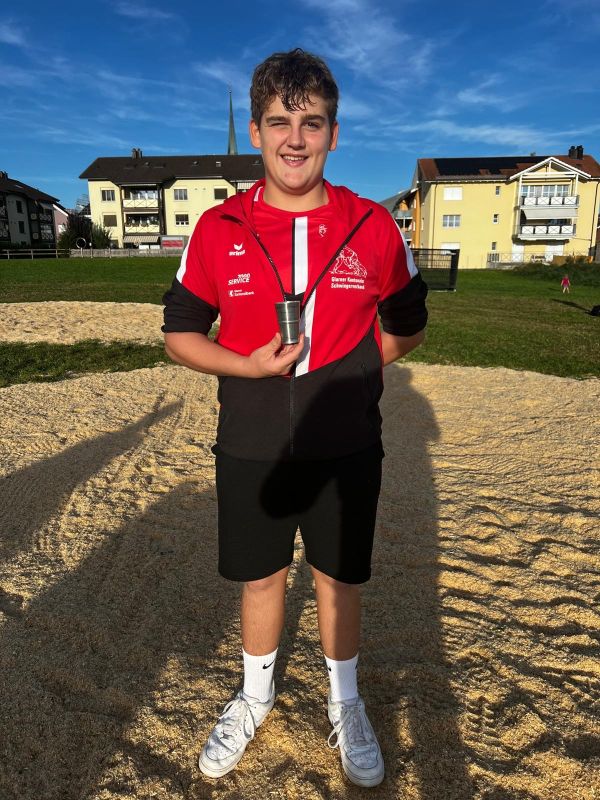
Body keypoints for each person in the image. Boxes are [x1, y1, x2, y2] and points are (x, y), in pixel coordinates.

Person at [162, 48, 428, 788]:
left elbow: (408, 324)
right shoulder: (218, 227)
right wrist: (248, 367)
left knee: (339, 581)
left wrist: (352, 370)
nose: (295, 138)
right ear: (255, 131)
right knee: (261, 578)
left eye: (311, 122)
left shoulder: (373, 224)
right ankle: (255, 696)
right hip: (251, 440)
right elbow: (180, 334)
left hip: (346, 443)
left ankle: (347, 702)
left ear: (334, 134)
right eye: (280, 121)